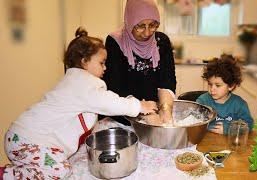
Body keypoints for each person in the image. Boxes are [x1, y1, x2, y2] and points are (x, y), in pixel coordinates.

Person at [1, 27, 157, 179]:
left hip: (20, 137)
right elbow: (110, 102)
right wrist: (139, 106)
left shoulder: (73, 82)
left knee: (48, 167)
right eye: (101, 63)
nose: (105, 67)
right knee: (61, 171)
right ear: (84, 62)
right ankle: (6, 175)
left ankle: (21, 170)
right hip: (28, 140)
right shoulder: (84, 83)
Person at [102, 0, 176, 125]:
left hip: (155, 113)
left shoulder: (161, 41)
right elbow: (114, 87)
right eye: (141, 26)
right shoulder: (115, 42)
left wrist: (165, 110)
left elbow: (167, 80)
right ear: (130, 22)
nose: (147, 33)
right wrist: (143, 112)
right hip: (123, 118)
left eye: (153, 25)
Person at [196, 54, 254, 135]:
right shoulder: (203, 101)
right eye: (210, 84)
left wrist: (229, 129)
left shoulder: (239, 104)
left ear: (231, 86)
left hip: (229, 145)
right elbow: (196, 122)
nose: (212, 89)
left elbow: (249, 125)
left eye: (218, 85)